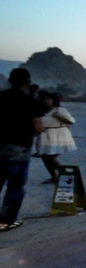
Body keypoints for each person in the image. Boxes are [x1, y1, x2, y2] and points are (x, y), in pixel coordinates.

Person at [0, 69, 44, 231]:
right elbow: (38, 127)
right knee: (15, 186)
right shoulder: (31, 102)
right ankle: (5, 221)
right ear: (27, 83)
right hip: (19, 147)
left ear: (10, 81)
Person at [37, 92, 77, 184]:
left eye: (48, 99)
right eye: (45, 99)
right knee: (45, 157)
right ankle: (54, 177)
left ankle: (65, 174)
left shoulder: (60, 110)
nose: (46, 101)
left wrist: (59, 117)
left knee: (51, 157)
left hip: (59, 134)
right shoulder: (43, 111)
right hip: (47, 134)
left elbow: (71, 121)